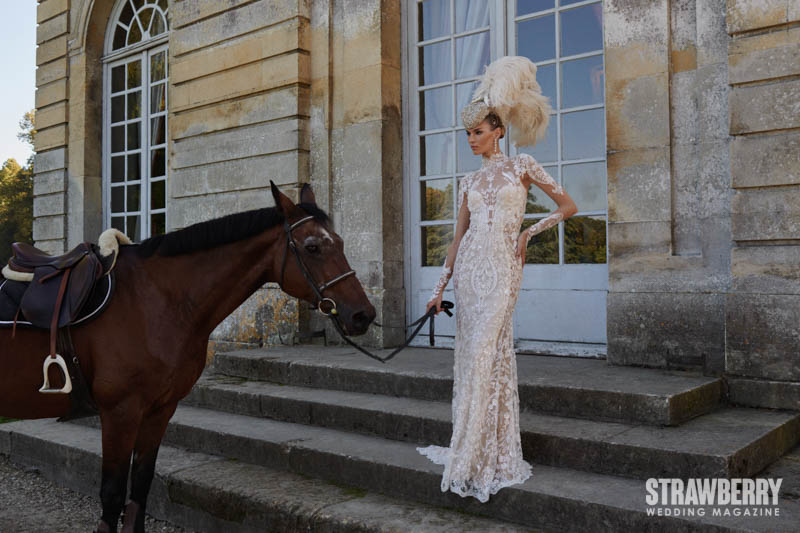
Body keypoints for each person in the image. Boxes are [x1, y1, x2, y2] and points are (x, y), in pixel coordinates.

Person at [416, 56, 578, 503]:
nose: (472, 140)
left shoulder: (522, 165)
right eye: (468, 134)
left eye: (479, 132)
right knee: (471, 359)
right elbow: (457, 238)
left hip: (504, 268)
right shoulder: (468, 181)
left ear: (498, 131)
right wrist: (438, 289)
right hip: (470, 273)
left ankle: (489, 452)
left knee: (490, 352)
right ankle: (470, 448)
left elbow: (568, 207)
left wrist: (530, 231)